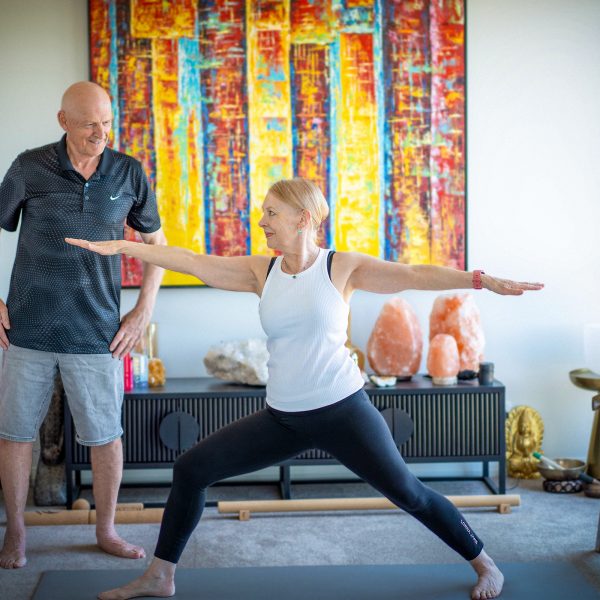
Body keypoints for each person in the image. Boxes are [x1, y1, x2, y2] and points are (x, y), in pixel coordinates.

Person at [66, 178, 543, 600]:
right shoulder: (262, 271)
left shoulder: (342, 268)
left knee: (409, 493)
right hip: (283, 417)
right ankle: (161, 575)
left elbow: (416, 274)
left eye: (271, 213)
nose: (263, 222)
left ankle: (485, 563)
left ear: (304, 218)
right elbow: (191, 260)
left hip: (343, 411)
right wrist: (127, 248)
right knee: (191, 469)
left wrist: (480, 280)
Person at [0, 81, 167, 569]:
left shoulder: (128, 172)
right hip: (27, 329)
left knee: (105, 436)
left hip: (97, 332)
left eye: (107, 121)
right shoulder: (30, 167)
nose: (102, 132)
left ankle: (106, 529)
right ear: (64, 121)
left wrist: (143, 309)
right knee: (15, 434)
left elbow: (155, 244)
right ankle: (16, 532)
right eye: (91, 122)